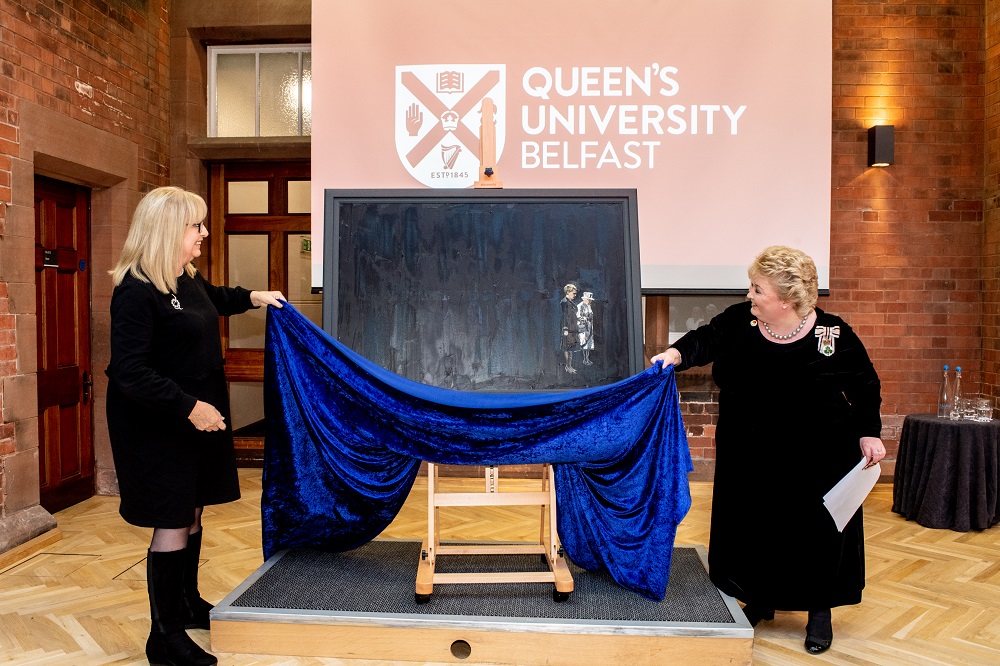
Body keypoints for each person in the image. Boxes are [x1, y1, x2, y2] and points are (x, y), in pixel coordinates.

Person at [651, 245, 885, 655]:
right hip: (751, 449)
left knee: (816, 532)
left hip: (818, 453)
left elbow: (865, 386)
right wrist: (677, 353)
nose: (749, 295)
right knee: (756, 524)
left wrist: (869, 432)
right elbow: (707, 338)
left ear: (786, 300)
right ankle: (761, 596)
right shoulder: (742, 323)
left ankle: (819, 609)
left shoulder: (832, 336)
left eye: (758, 289)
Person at [106, 186, 285, 666]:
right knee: (171, 518)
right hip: (158, 422)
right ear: (168, 230)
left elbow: (215, 300)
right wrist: (189, 406)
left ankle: (186, 603)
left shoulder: (183, 277)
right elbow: (129, 371)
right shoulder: (135, 292)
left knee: (193, 509)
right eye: (196, 226)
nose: (204, 233)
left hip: (195, 418)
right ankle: (162, 636)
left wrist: (253, 297)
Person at [560, 283, 580, 373]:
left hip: (573, 328)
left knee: (571, 348)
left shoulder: (571, 302)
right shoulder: (565, 302)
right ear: (568, 292)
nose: (575, 295)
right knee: (567, 348)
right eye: (573, 293)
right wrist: (565, 328)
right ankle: (567, 367)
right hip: (568, 328)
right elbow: (565, 316)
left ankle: (569, 366)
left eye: (575, 293)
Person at [577, 291, 595, 365]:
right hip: (583, 327)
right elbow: (578, 316)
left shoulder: (588, 306)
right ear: (585, 299)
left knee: (588, 343)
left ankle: (587, 359)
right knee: (584, 343)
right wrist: (584, 318)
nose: (590, 301)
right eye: (589, 300)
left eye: (590, 300)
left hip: (589, 326)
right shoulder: (580, 306)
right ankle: (584, 359)